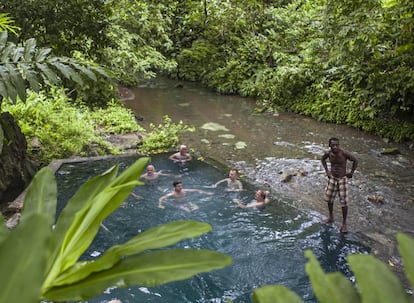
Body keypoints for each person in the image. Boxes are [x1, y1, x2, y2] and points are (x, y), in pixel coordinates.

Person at [321, 137, 358, 233]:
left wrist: (351, 173)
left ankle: (344, 224)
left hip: (342, 179)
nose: (335, 147)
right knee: (329, 199)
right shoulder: (328, 153)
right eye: (333, 145)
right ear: (329, 146)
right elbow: (322, 159)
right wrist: (327, 171)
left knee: (344, 202)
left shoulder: (343, 153)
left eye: (337, 145)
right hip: (332, 178)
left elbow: (355, 160)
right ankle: (331, 217)